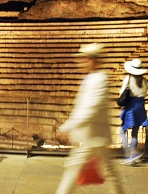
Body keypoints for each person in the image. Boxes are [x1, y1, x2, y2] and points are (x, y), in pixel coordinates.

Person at [55, 43, 124, 194]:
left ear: (92, 60)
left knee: (73, 171)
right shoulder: (91, 79)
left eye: (83, 59)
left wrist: (67, 127)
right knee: (108, 172)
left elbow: (89, 109)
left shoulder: (100, 80)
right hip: (91, 137)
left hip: (92, 136)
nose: (80, 62)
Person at [118, 58, 148, 165]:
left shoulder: (128, 78)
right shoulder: (145, 81)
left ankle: (129, 153)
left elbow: (122, 92)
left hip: (131, 106)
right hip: (140, 106)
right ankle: (132, 157)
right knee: (135, 133)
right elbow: (144, 94)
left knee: (122, 130)